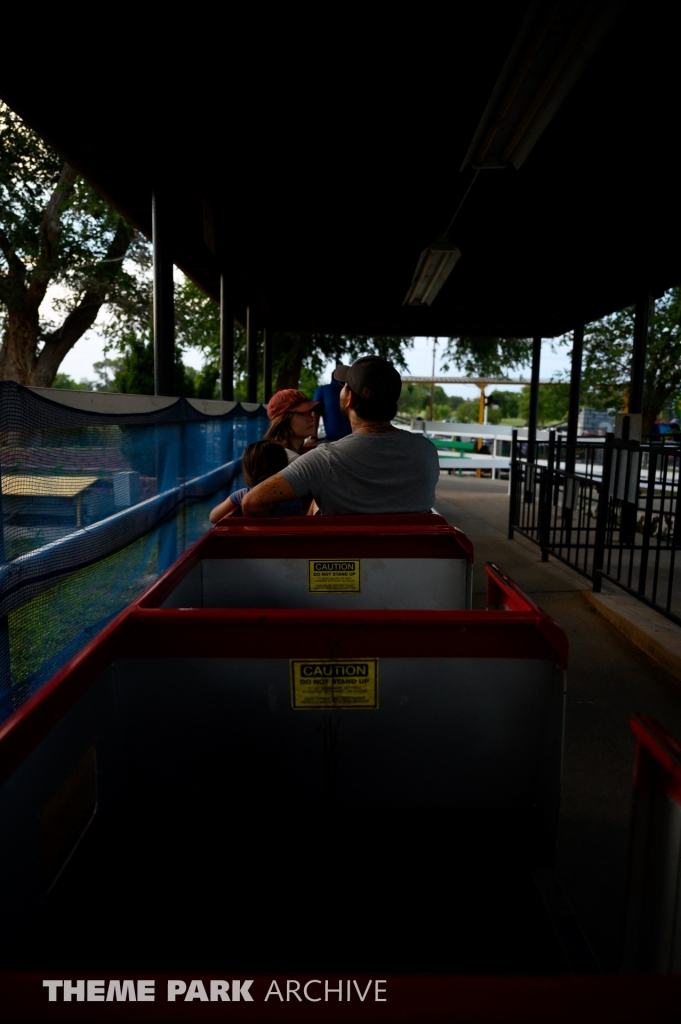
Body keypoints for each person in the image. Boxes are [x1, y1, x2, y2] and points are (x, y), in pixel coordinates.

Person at [241, 356, 440, 517]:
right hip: (410, 561)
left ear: (350, 398)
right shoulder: (427, 451)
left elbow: (252, 502)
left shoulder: (324, 459)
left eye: (344, 386)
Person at [209, 440, 303, 523]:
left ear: (248, 470)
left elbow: (213, 517)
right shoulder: (292, 496)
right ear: (284, 467)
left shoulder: (243, 495)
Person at [264, 389, 321, 462]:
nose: (312, 418)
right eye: (302, 413)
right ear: (283, 421)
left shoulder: (304, 452)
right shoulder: (279, 459)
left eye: (310, 412)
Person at [313, 377, 352, 442]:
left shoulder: (322, 390)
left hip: (331, 440)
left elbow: (315, 413)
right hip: (354, 439)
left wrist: (313, 437)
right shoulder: (355, 391)